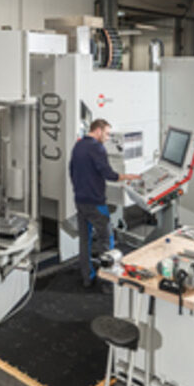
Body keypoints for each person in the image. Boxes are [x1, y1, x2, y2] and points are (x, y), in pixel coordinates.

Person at [69, 119, 135, 288]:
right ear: (98, 130)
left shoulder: (78, 145)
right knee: (106, 240)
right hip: (96, 203)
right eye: (106, 134)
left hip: (80, 200)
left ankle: (87, 277)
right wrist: (126, 177)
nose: (107, 138)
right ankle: (107, 282)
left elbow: (72, 170)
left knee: (85, 240)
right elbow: (108, 174)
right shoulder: (97, 148)